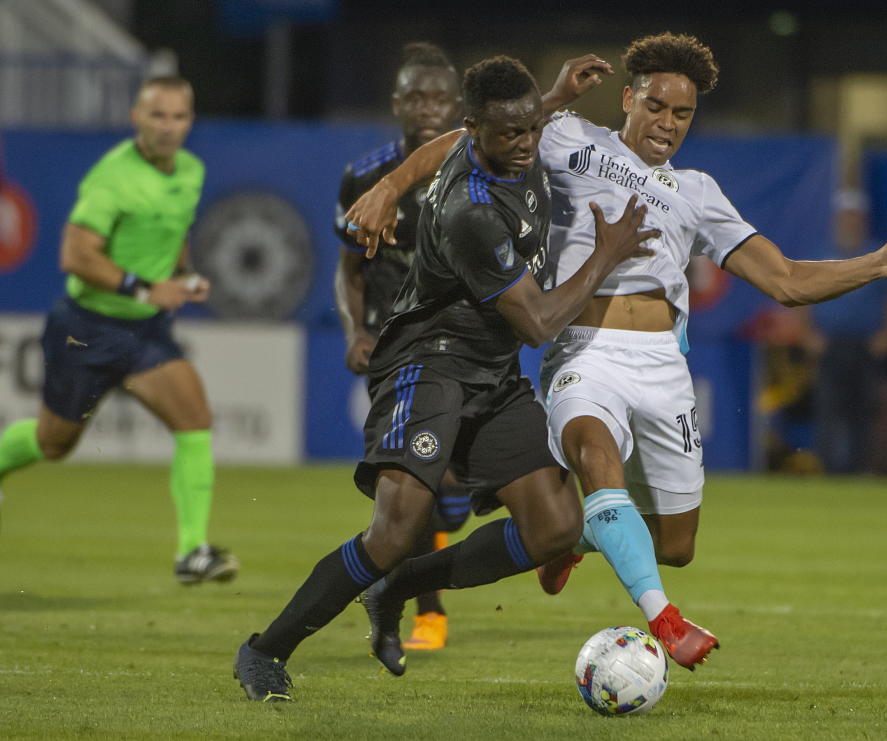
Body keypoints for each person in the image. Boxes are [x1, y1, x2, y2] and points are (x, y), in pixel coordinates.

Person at [343, 34, 887, 672]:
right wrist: (389, 187)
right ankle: (663, 618)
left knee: (677, 544)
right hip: (583, 352)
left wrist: (876, 263)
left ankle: (581, 538)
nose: (667, 124)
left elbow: (786, 281)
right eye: (656, 106)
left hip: (661, 366)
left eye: (681, 115)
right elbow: (470, 138)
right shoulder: (570, 139)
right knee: (595, 457)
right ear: (628, 98)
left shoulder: (698, 192)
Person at [233, 55, 658, 702]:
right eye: (509, 134)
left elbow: (491, 130)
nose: (525, 144)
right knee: (395, 529)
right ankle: (265, 649)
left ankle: (398, 588)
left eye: (532, 128)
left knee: (555, 528)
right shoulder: (471, 210)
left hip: (490, 370)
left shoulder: (510, 135)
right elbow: (540, 322)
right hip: (427, 361)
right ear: (474, 131)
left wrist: (552, 96)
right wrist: (607, 252)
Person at [0, 76, 238, 585]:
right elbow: (75, 256)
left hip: (143, 334)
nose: (169, 127)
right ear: (137, 117)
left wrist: (183, 277)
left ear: (189, 121)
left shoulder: (190, 171)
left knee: (195, 420)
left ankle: (192, 552)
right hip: (86, 329)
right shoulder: (112, 178)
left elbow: (174, 233)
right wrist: (145, 289)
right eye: (158, 116)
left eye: (178, 117)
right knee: (53, 444)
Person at [334, 41, 466, 652]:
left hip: (466, 347)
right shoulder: (364, 177)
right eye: (416, 96)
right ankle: (428, 613)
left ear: (458, 103)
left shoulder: (477, 168)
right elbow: (349, 269)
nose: (428, 107)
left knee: (453, 493)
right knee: (413, 480)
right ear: (396, 102)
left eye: (440, 96)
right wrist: (353, 330)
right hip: (395, 352)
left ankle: (450, 519)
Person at [796, 189, 887, 473]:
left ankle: (861, 467)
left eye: (855, 217)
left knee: (865, 407)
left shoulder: (877, 252)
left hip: (866, 343)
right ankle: (829, 467)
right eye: (846, 216)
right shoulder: (821, 253)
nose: (850, 222)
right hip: (830, 343)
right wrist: (808, 334)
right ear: (837, 218)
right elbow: (802, 294)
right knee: (829, 407)